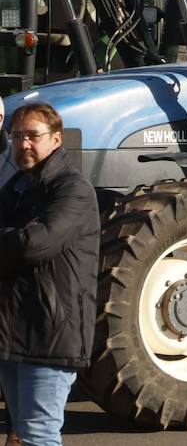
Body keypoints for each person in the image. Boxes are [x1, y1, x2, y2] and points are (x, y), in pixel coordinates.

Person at [0, 102, 99, 446]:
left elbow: (34, 244)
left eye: (32, 135)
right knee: (20, 435)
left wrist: (16, 240)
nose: (23, 144)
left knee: (39, 435)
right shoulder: (16, 189)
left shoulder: (73, 190)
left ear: (56, 140)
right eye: (16, 136)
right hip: (14, 332)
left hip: (50, 333)